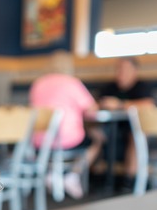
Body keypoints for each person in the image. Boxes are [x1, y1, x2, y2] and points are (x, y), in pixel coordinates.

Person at [30, 51, 105, 199]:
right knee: (97, 140)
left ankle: (52, 173)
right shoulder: (72, 82)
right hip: (66, 140)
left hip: (38, 142)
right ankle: (72, 175)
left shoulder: (38, 83)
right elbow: (92, 110)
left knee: (60, 141)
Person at [98, 57, 156, 189]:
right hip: (111, 127)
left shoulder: (142, 86)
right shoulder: (109, 88)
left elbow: (149, 105)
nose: (120, 73)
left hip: (135, 128)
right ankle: (82, 177)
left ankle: (129, 181)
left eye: (124, 69)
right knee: (95, 133)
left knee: (137, 135)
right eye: (118, 69)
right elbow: (97, 105)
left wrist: (119, 104)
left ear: (134, 71)